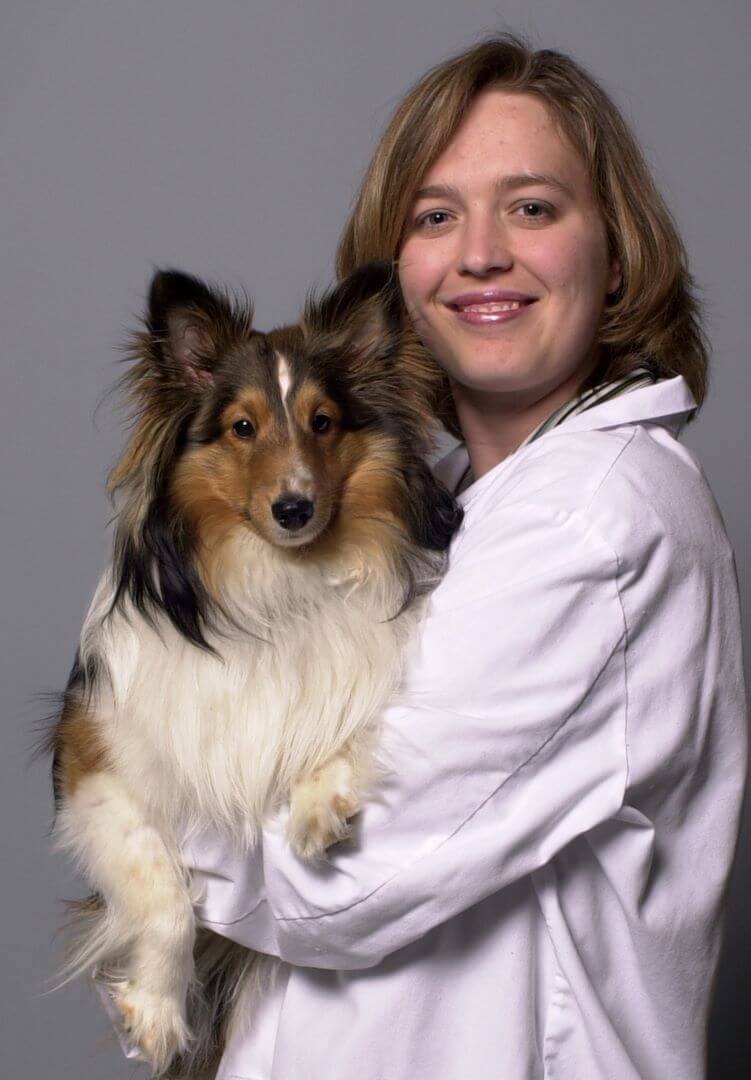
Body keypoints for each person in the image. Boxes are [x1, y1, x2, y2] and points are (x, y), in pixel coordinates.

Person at [177, 35, 746, 1079]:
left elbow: (332, 883)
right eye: (436, 217)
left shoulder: (593, 521)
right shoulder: (439, 508)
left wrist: (155, 770)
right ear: (396, 272)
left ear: (615, 249)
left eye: (532, 207)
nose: (479, 254)